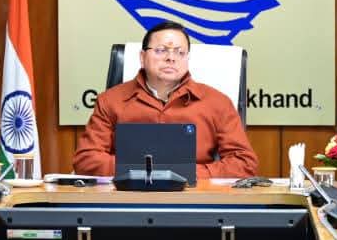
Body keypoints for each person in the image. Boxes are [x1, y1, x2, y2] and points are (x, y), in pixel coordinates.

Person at [73, 21, 259, 179]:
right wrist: (141, 171)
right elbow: (86, 159)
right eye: (161, 50)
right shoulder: (110, 100)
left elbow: (244, 163)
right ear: (142, 57)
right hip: (127, 198)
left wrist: (187, 174)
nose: (171, 58)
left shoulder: (217, 102)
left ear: (187, 59)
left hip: (196, 198)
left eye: (180, 52)